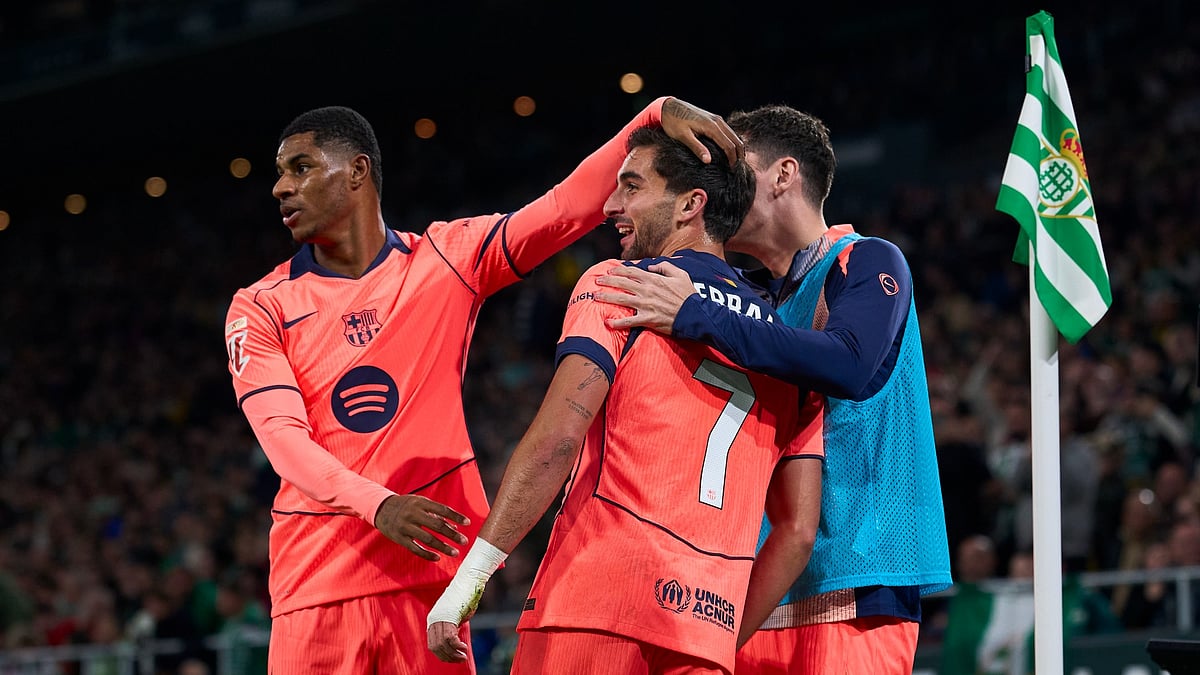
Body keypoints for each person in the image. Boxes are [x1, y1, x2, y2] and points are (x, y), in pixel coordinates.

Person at [223, 97, 743, 674]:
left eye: (300, 168)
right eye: (279, 173)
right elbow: (283, 443)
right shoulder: (259, 307)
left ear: (357, 171)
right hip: (316, 583)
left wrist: (650, 116)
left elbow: (565, 209)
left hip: (428, 574)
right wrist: (381, 506)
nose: (279, 187)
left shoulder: (447, 258)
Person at [425, 126, 825, 674]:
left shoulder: (624, 283)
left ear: (691, 204)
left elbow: (558, 439)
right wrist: (721, 639)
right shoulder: (789, 344)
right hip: (707, 627)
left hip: (596, 602)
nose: (611, 205)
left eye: (632, 186)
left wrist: (470, 578)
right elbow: (798, 532)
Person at [593, 103, 952, 673]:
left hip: (857, 581)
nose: (724, 188)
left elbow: (851, 364)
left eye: (739, 169)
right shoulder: (754, 301)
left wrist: (697, 316)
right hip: (755, 585)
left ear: (784, 175)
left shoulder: (865, 260)